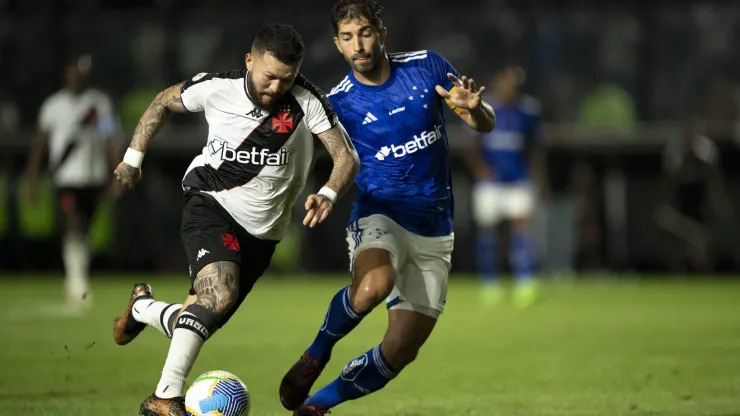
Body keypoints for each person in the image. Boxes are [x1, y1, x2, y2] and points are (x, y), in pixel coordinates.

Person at [110, 24, 360, 416]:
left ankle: (142, 309)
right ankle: (163, 398)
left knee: (201, 318)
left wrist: (328, 192)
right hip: (210, 203)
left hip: (263, 234)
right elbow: (161, 102)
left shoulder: (308, 101)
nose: (276, 88)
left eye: (287, 79)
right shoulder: (216, 87)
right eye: (269, 76)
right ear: (249, 60)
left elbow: (346, 157)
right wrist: (133, 158)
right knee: (217, 297)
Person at [279, 2, 495, 414]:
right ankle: (315, 354)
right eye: (347, 37)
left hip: (435, 228)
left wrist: (475, 110)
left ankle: (317, 406)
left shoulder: (427, 67)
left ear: (382, 33)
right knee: (373, 287)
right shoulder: (338, 103)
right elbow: (323, 157)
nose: (358, 45)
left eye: (364, 33)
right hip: (381, 214)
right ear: (337, 45)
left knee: (399, 351)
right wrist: (323, 191)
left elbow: (483, 123)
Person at [25, 53, 121, 312]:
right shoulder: (53, 106)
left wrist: (117, 174)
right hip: (66, 179)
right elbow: (40, 144)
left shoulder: (99, 104)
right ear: (66, 74)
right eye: (72, 72)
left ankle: (74, 277)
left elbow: (109, 139)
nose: (76, 77)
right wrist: (32, 180)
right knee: (73, 225)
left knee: (84, 232)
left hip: (93, 177)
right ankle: (78, 284)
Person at [464, 65, 545, 307]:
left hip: (518, 179)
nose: (511, 87)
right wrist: (480, 169)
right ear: (498, 82)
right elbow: (470, 144)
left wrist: (538, 178)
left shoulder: (529, 110)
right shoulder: (483, 108)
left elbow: (538, 148)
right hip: (491, 182)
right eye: (507, 82)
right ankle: (490, 282)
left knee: (521, 230)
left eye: (515, 83)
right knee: (488, 233)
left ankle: (525, 282)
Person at [656, 114, 731, 273]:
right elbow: (669, 182)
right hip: (682, 201)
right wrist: (664, 204)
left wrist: (719, 201)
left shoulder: (707, 149)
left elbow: (713, 179)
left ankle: (707, 278)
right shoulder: (675, 150)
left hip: (701, 202)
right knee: (678, 247)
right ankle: (677, 279)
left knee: (704, 247)